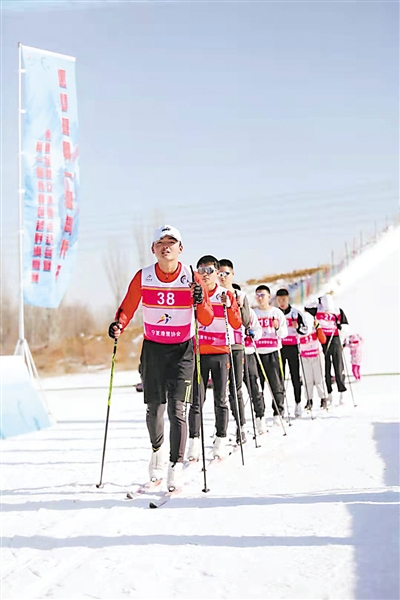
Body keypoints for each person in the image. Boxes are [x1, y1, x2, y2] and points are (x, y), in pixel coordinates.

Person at [108, 225, 213, 491]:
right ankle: (157, 455)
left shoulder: (192, 276)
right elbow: (127, 307)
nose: (166, 247)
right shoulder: (143, 276)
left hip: (183, 350)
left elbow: (207, 318)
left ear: (181, 248)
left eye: (171, 242)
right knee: (154, 408)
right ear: (153, 249)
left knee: (177, 409)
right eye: (160, 242)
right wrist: (118, 324)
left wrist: (199, 300)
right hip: (154, 349)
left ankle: (174, 468)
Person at [187, 255, 242, 460]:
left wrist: (229, 305)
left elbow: (236, 324)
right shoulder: (195, 294)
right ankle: (194, 443)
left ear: (217, 273)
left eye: (209, 270)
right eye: (201, 270)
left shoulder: (225, 294)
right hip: (199, 353)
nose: (205, 274)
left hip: (220, 353)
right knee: (196, 401)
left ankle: (220, 440)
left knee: (220, 399)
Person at [218, 260, 250, 443]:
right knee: (220, 391)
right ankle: (221, 431)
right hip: (218, 346)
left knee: (235, 388)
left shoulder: (241, 294)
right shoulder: (213, 293)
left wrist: (237, 304)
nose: (222, 277)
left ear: (232, 274)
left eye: (226, 274)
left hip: (236, 346)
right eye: (220, 274)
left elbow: (245, 321)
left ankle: (241, 427)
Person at [252, 285, 288, 424]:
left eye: (262, 295)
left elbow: (283, 333)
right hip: (257, 352)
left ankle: (278, 412)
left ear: (268, 296)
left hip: (273, 351)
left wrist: (277, 327)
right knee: (257, 385)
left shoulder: (276, 312)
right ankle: (259, 413)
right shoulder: (253, 313)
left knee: (276, 384)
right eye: (258, 295)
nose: (260, 298)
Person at [306, 294, 349, 404]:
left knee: (338, 366)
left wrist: (340, 328)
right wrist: (315, 301)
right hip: (322, 339)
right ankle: (329, 393)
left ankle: (342, 393)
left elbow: (345, 326)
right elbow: (306, 307)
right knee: (326, 368)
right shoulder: (317, 309)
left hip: (334, 339)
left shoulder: (337, 311)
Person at [275, 288, 308, 417]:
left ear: (288, 299)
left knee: (295, 377)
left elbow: (306, 329)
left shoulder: (296, 313)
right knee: (279, 378)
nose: (281, 302)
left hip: (293, 347)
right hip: (279, 348)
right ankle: (280, 405)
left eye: (283, 300)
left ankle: (298, 403)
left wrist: (298, 327)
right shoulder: (275, 313)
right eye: (279, 300)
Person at [242, 304, 266, 434]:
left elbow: (258, 331)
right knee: (235, 391)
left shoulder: (249, 312)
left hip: (249, 352)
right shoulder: (223, 308)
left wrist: (253, 334)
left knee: (254, 386)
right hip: (232, 353)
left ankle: (260, 417)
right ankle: (240, 423)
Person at [301, 305, 328, 409]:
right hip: (305, 356)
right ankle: (309, 400)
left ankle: (323, 399)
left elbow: (323, 340)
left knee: (319, 379)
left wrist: (318, 328)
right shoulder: (301, 326)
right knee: (307, 380)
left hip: (316, 355)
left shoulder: (315, 325)